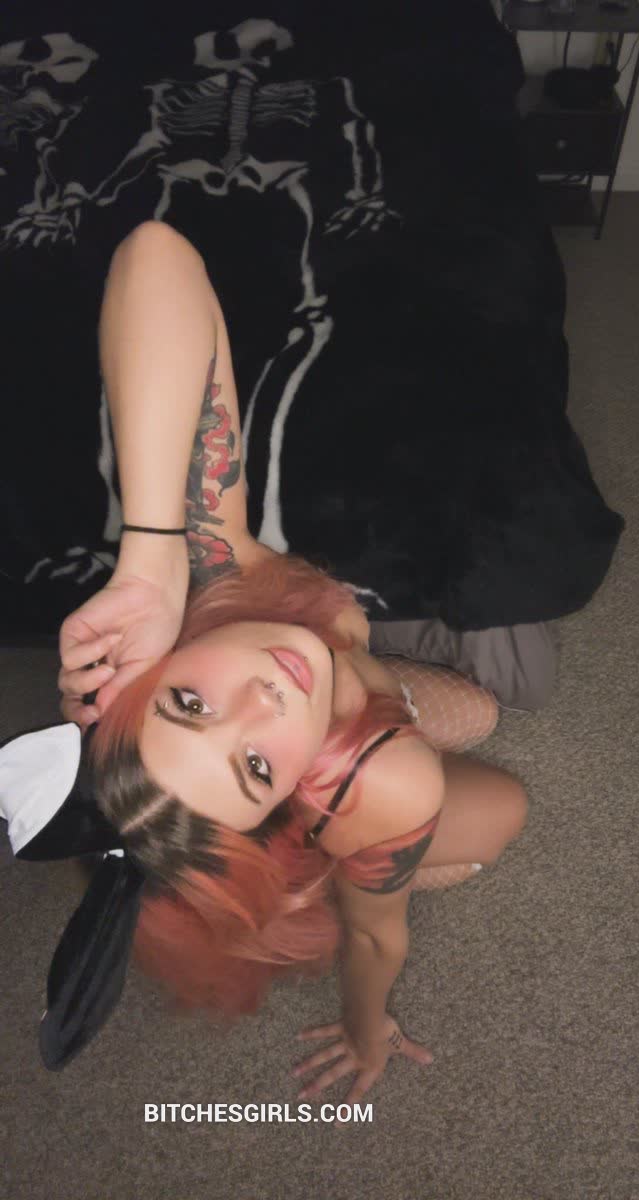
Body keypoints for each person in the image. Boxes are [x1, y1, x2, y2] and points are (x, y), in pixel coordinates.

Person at [53, 221, 527, 1101]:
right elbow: (379, 939)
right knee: (497, 820)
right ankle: (341, 874)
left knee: (487, 712)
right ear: (291, 804)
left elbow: (157, 255)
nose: (263, 697)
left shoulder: (213, 578)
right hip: (370, 773)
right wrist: (366, 1025)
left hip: (376, 693)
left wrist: (149, 556)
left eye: (190, 704)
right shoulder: (379, 785)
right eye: (256, 765)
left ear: (153, 675)